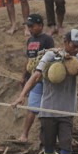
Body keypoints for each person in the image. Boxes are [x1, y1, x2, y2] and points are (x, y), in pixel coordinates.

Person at [12, 29, 78, 154]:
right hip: (48, 108)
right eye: (75, 46)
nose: (77, 49)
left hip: (66, 110)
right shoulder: (50, 56)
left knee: (66, 143)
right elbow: (36, 76)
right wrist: (22, 95)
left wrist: (72, 61)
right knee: (48, 142)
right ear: (66, 42)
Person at [19, 13, 55, 143]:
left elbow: (51, 57)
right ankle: (24, 134)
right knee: (32, 107)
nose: (29, 29)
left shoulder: (47, 39)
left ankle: (45, 136)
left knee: (46, 109)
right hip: (33, 78)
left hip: (44, 78)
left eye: (31, 26)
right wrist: (24, 76)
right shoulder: (30, 40)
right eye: (28, 26)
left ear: (40, 25)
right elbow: (28, 59)